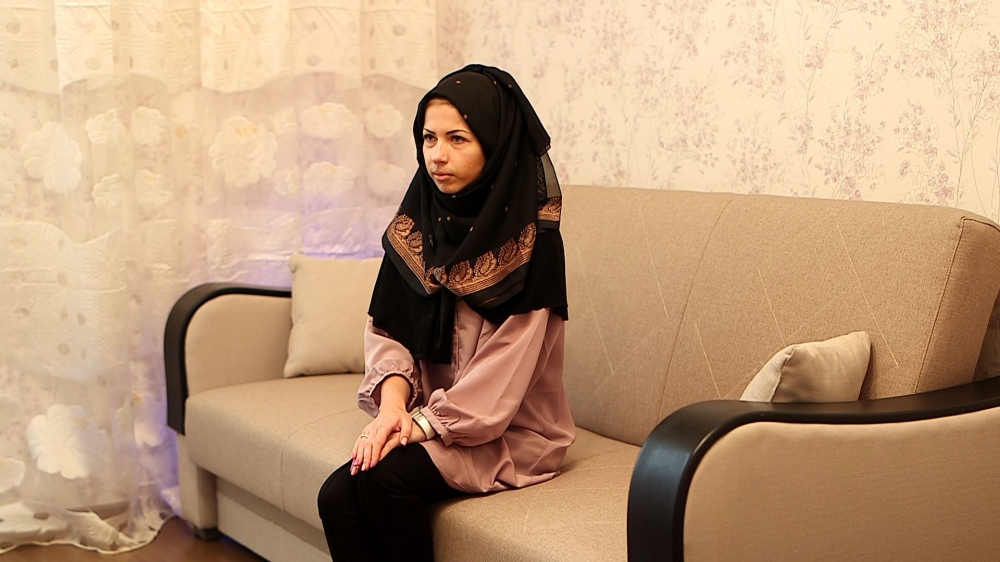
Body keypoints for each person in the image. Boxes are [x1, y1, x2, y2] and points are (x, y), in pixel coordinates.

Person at [316, 64, 574, 562]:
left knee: (384, 483)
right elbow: (390, 332)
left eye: (458, 139)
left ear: (495, 144)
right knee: (337, 496)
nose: (437, 155)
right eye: (429, 138)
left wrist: (419, 426)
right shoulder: (418, 224)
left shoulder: (534, 244)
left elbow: (506, 368)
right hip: (428, 417)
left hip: (509, 432)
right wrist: (393, 410)